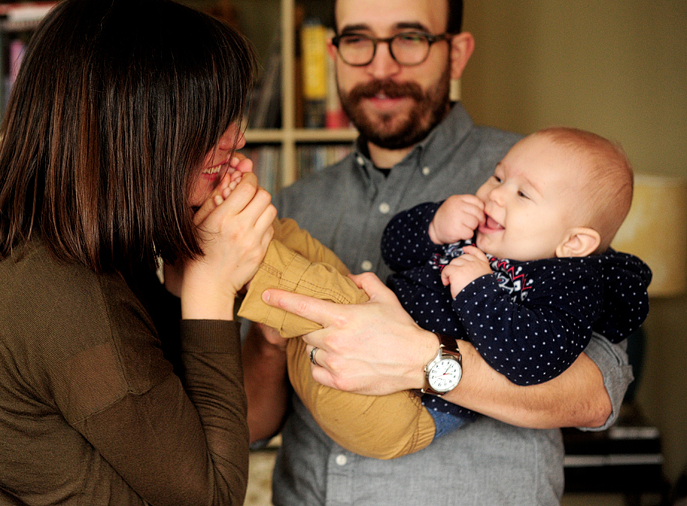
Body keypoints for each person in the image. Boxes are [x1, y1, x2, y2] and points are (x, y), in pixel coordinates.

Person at [241, 0, 634, 505]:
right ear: (334, 53)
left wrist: (427, 361)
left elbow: (595, 395)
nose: (382, 67)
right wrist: (265, 343)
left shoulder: (546, 191)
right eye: (358, 40)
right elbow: (253, 423)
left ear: (456, 52)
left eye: (409, 37)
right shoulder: (293, 205)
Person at [0, 0, 277, 505]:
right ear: (135, 129)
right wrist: (211, 290)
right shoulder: (64, 298)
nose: (236, 140)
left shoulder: (42, 235)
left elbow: (156, 413)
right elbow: (212, 497)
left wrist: (183, 277)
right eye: (213, 118)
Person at [238, 127, 650, 459]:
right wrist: (434, 225)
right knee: (299, 249)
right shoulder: (475, 231)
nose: (495, 194)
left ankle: (230, 256)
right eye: (499, 177)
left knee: (322, 290)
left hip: (400, 414)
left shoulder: (568, 284)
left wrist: (476, 290)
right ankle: (239, 214)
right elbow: (394, 250)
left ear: (574, 243)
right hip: (331, 369)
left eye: (523, 195)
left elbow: (534, 361)